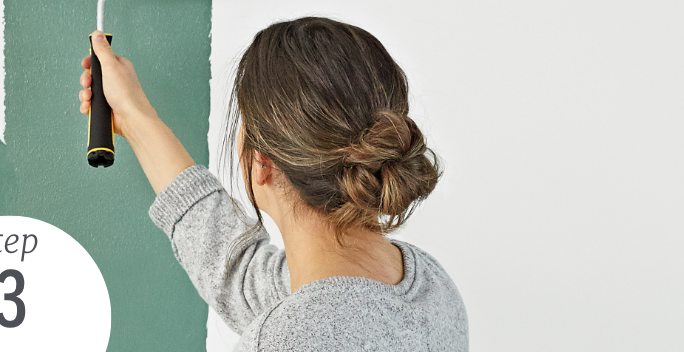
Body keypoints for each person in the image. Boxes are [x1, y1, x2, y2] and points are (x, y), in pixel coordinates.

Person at [78, 17, 467, 351]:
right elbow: (241, 277)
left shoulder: (282, 341)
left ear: (262, 164)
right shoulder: (430, 288)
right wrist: (132, 114)